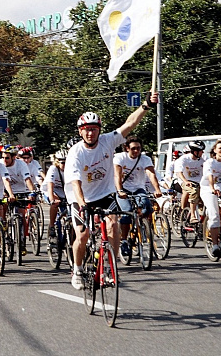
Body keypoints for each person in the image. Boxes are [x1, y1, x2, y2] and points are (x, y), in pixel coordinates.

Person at [64, 91, 159, 290]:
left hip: (105, 194)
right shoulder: (76, 153)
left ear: (99, 130)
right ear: (80, 132)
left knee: (113, 225)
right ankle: (78, 269)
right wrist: (82, 204)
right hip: (80, 197)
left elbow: (130, 124)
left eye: (94, 129)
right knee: (82, 235)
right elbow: (75, 182)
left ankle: (110, 267)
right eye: (86, 130)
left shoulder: (108, 141)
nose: (90, 133)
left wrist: (146, 105)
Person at [113, 136, 163, 257]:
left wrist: (157, 189)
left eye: (138, 148)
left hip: (138, 188)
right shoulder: (120, 158)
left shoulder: (145, 159)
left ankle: (140, 226)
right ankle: (124, 240)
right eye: (133, 148)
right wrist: (120, 190)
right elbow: (117, 175)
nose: (136, 151)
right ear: (126, 148)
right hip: (123, 189)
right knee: (127, 211)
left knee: (146, 206)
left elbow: (151, 174)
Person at [174, 140, 206, 223]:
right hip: (185, 181)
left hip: (199, 182)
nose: (202, 152)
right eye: (201, 151)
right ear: (195, 152)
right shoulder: (183, 159)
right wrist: (185, 181)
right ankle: (192, 215)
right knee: (193, 191)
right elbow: (179, 172)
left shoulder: (202, 160)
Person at [44, 149, 67, 239]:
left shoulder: (71, 168)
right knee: (55, 203)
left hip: (64, 191)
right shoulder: (53, 169)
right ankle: (52, 225)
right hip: (51, 190)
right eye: (62, 163)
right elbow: (50, 185)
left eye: (66, 162)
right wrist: (52, 199)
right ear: (57, 162)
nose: (65, 165)